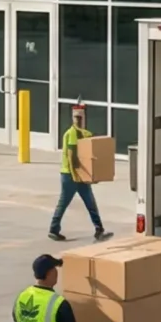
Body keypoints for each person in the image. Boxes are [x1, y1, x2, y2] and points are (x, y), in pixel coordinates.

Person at [49, 102, 111, 243]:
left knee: (90, 202)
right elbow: (71, 157)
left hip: (79, 175)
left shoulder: (83, 133)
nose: (79, 120)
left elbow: (90, 149)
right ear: (73, 118)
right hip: (70, 175)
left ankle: (99, 229)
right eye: (77, 118)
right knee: (64, 202)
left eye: (81, 118)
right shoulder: (71, 134)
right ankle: (53, 229)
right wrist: (76, 175)